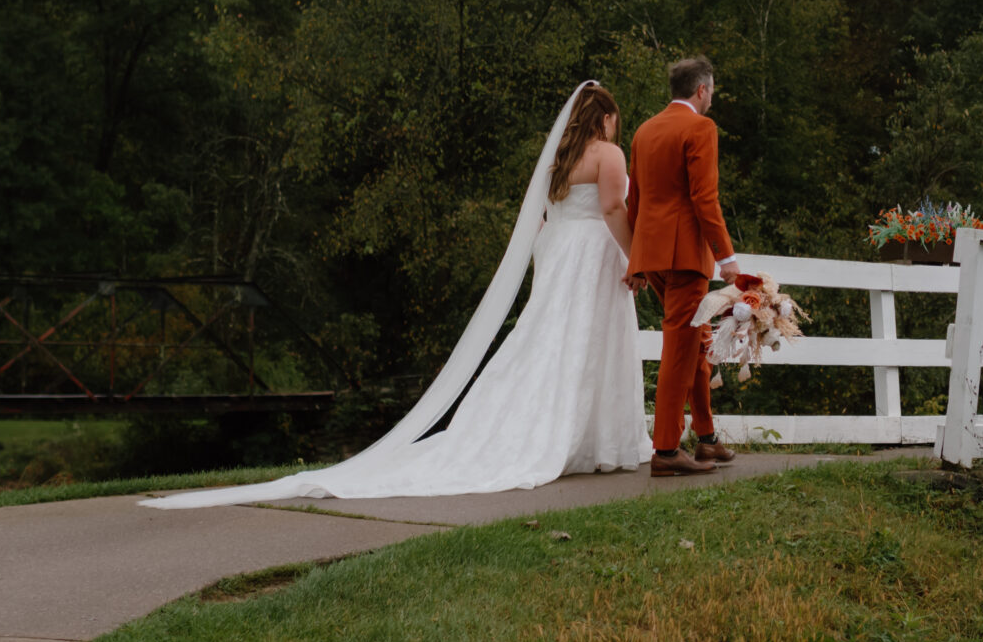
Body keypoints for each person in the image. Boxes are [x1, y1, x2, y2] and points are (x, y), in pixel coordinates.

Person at [143, 81, 649, 505]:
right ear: (604, 117)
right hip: (591, 253)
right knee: (587, 345)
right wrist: (637, 257)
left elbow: (543, 217)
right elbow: (611, 211)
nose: (614, 127)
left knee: (549, 343)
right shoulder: (607, 154)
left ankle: (559, 435)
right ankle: (593, 441)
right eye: (614, 119)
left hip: (558, 252)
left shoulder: (559, 158)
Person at [626, 54, 752, 477]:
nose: (712, 99)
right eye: (712, 92)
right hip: (684, 257)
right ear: (701, 90)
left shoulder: (644, 130)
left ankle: (707, 439)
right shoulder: (700, 127)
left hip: (654, 256)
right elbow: (704, 198)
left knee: (696, 342)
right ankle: (664, 450)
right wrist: (727, 259)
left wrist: (636, 262)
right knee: (679, 351)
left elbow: (635, 201)